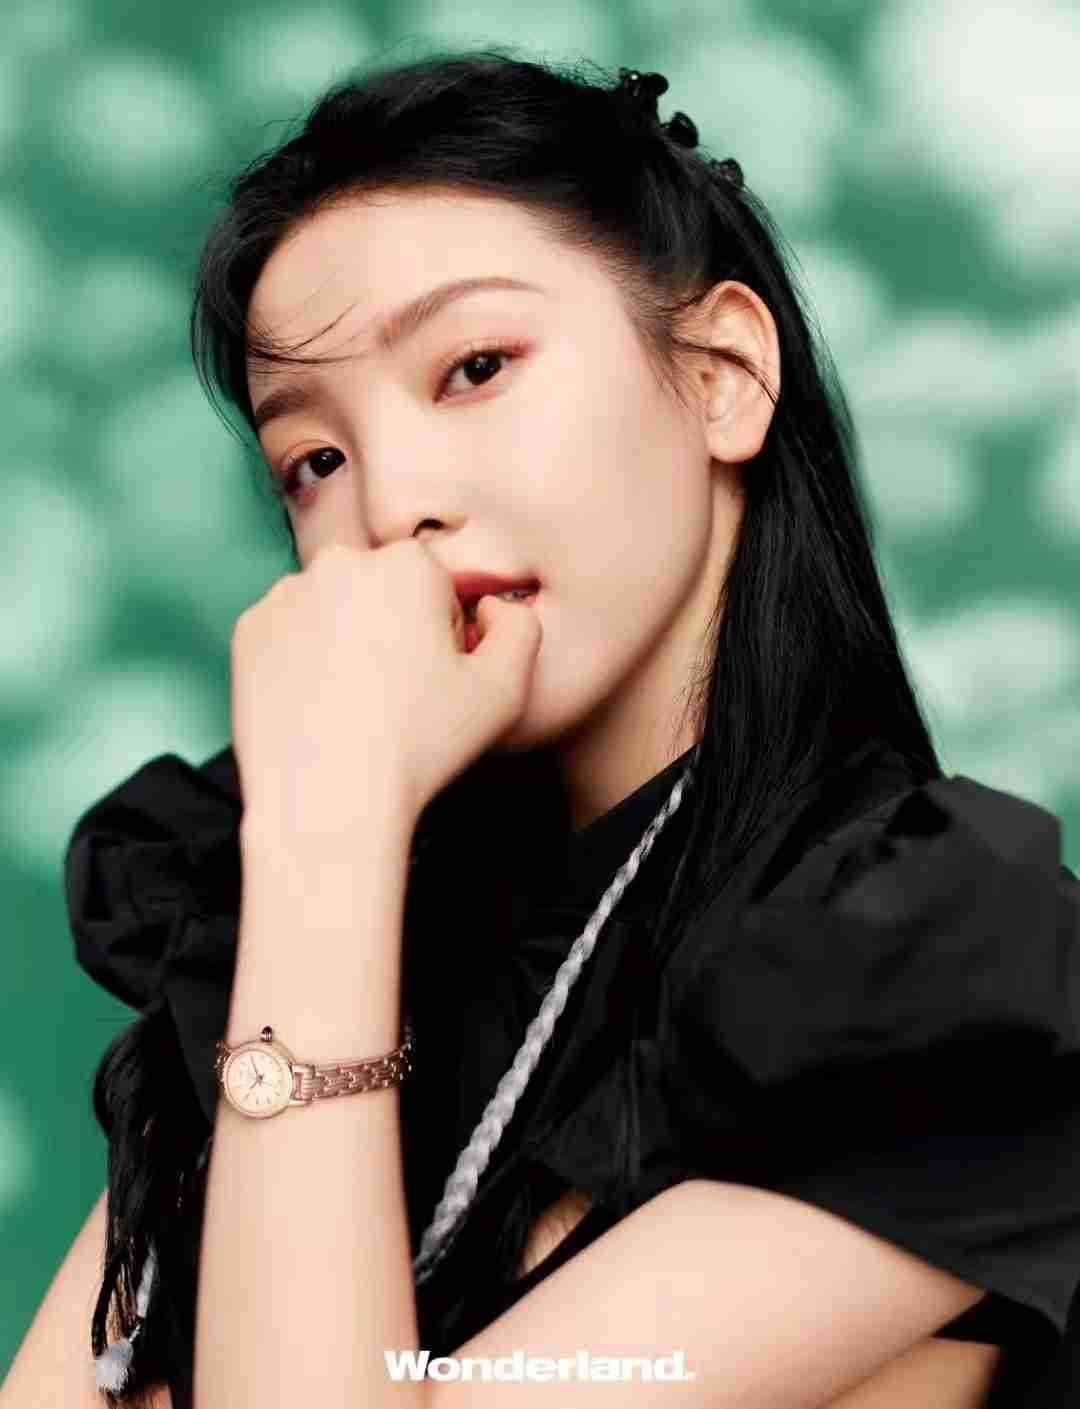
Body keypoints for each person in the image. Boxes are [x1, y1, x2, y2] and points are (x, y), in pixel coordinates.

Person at [5, 48, 1078, 1409]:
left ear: (722, 374)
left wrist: (326, 843)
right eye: (314, 460)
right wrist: (321, 858)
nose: (390, 504)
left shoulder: (934, 974)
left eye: (474, 367)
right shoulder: (298, 916)